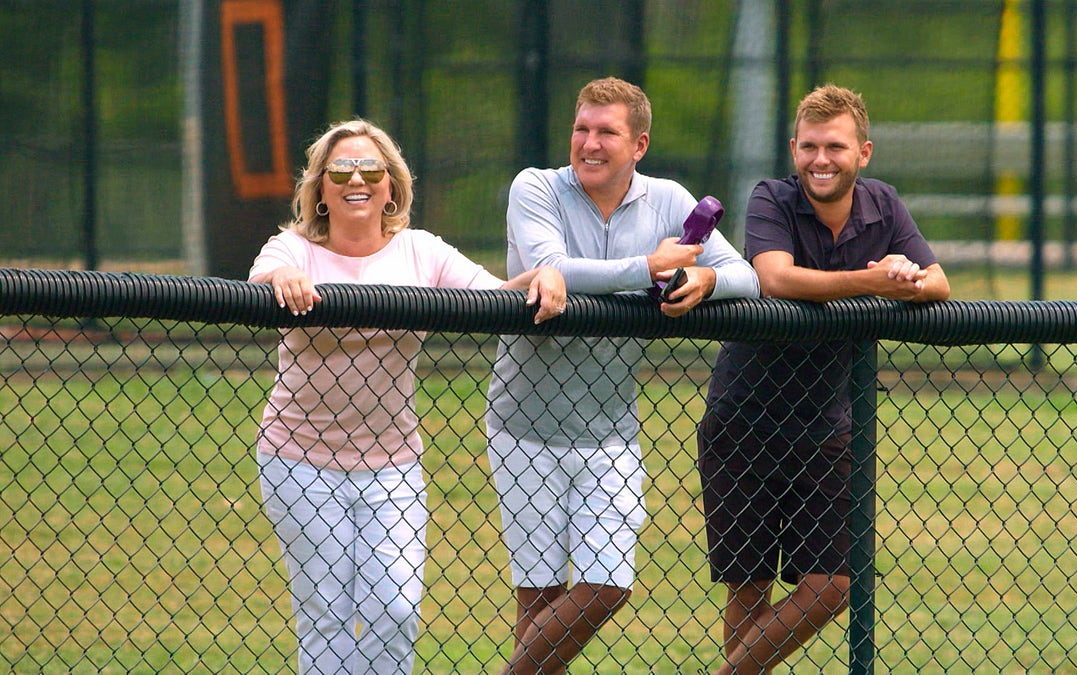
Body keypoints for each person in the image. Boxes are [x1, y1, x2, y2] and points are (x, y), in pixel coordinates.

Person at [248, 119, 565, 675]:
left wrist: (543, 276)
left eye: (371, 169)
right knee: (326, 615)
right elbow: (263, 274)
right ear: (320, 188)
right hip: (298, 459)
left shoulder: (420, 251)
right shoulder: (293, 248)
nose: (357, 181)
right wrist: (283, 279)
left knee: (394, 611)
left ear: (391, 185)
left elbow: (494, 297)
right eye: (340, 170)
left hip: (392, 465)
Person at [485, 77, 760, 674]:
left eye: (606, 132)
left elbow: (748, 276)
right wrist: (649, 267)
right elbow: (551, 268)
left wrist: (706, 280)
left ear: (638, 144)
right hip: (522, 426)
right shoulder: (534, 187)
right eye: (581, 128)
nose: (589, 143)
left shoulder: (667, 199)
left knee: (608, 584)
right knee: (538, 599)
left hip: (611, 430)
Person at [698, 84, 951, 674]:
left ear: (864, 152)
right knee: (748, 587)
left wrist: (904, 274)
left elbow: (938, 283)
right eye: (809, 146)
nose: (820, 159)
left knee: (833, 585)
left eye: (835, 147)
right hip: (745, 419)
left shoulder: (884, 205)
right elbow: (777, 280)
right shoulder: (771, 199)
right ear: (793, 149)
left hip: (828, 423)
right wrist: (874, 283)